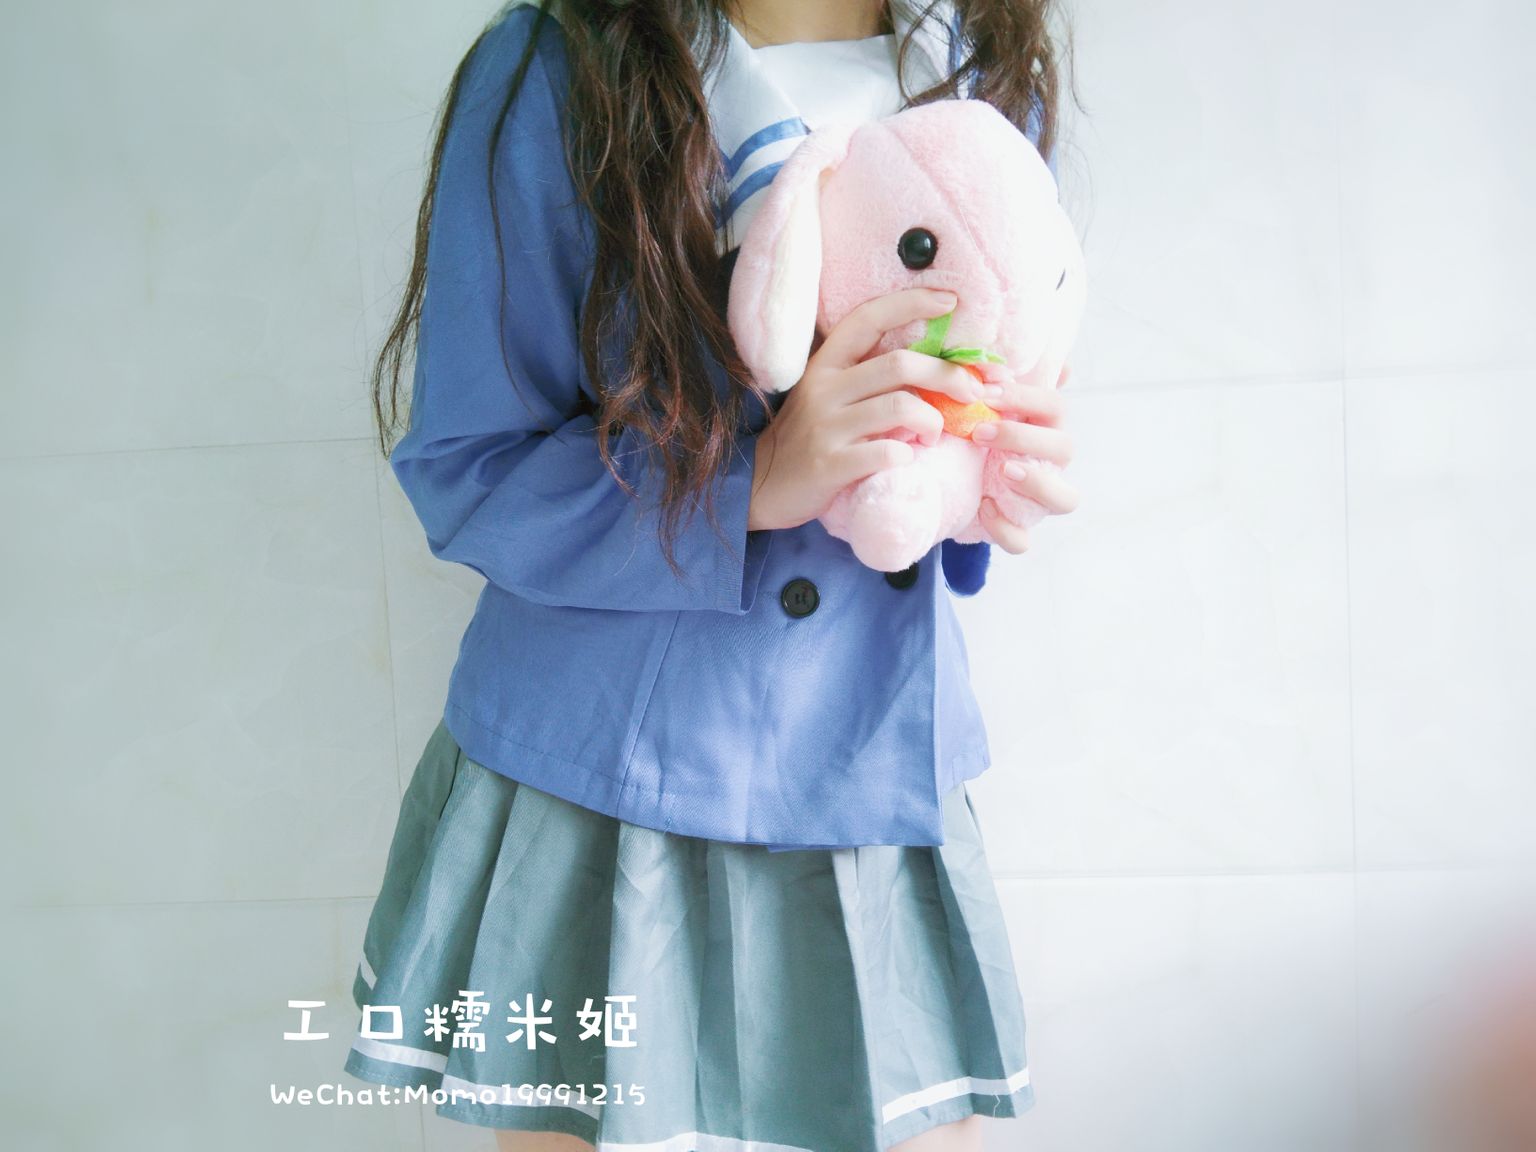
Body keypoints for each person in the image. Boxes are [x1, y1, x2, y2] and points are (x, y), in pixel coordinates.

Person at [345, 0, 1079, 1148]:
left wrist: (983, 485)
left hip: (873, 772)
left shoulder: (977, 72)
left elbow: (991, 378)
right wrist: (756, 477)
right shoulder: (557, 68)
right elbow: (471, 467)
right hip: (600, 797)